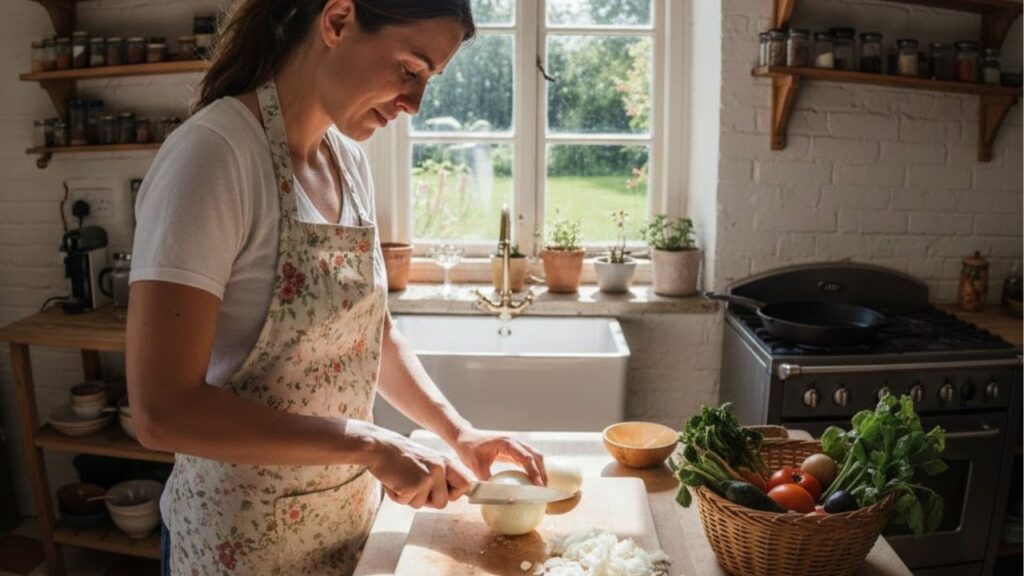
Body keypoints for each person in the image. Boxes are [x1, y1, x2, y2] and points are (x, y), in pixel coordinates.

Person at [126, 1, 547, 573]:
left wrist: (458, 432)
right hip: (239, 544)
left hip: (347, 527)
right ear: (338, 20)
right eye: (409, 69)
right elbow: (162, 413)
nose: (415, 104)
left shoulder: (347, 161)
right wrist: (372, 444)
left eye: (428, 80)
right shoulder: (215, 156)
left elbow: (372, 333)